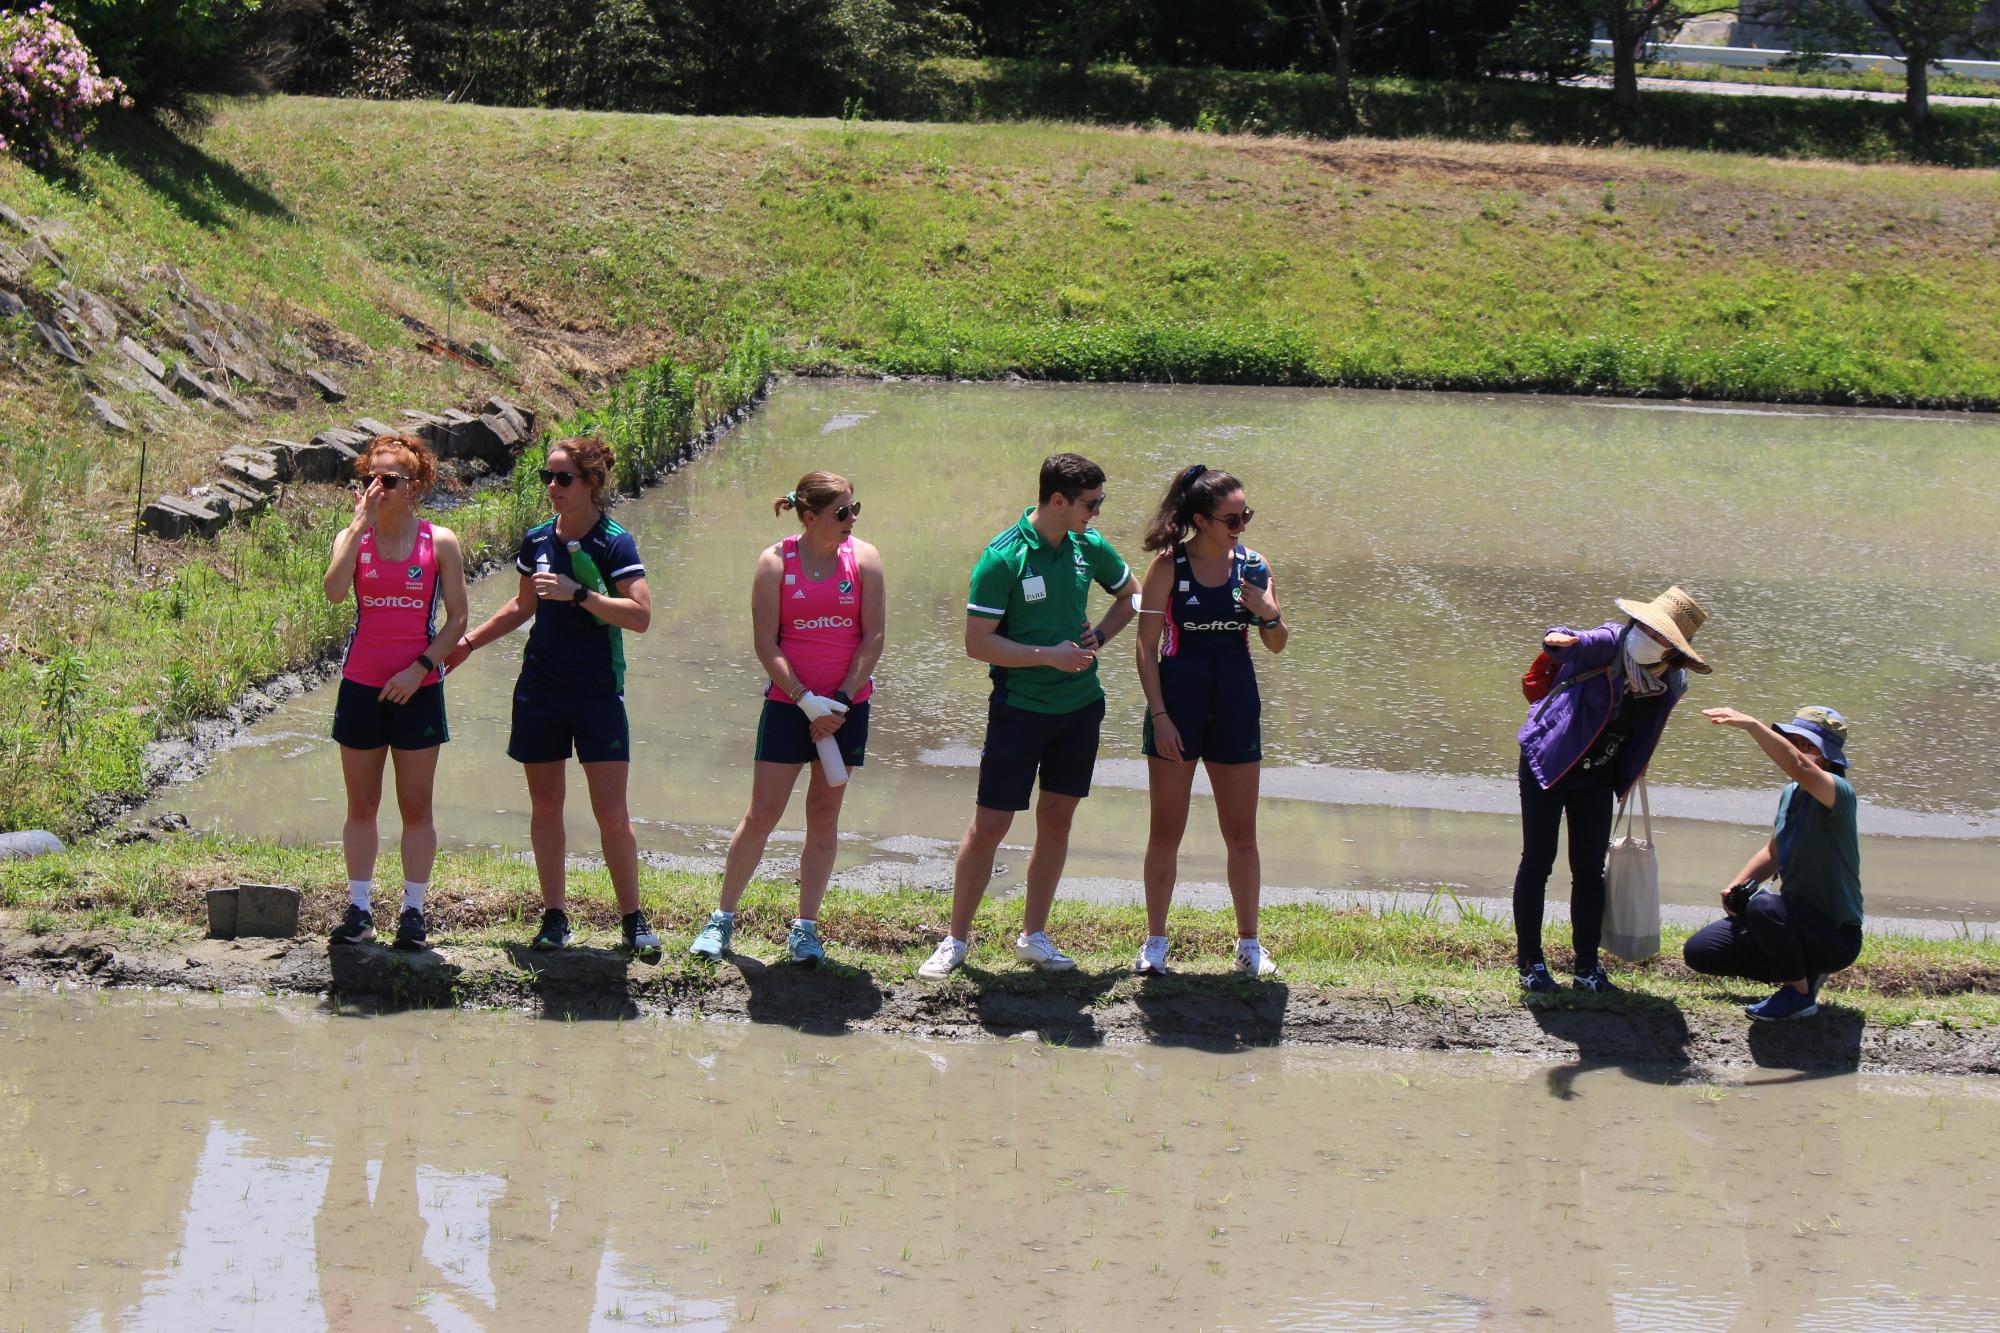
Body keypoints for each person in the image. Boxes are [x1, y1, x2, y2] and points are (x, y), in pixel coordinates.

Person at [917, 452, 1140, 979]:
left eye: (1100, 502)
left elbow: (1133, 595)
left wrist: (1101, 635)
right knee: (991, 824)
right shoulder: (1004, 557)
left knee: (1057, 820)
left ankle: (1033, 937)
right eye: (1092, 503)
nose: (1097, 513)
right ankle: (955, 941)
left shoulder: (1090, 548)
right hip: (1020, 710)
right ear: (1058, 500)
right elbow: (978, 644)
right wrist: (1048, 656)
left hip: (1080, 709)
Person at [444, 435, 660, 958]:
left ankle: (633, 920)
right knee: (546, 805)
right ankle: (554, 916)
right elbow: (521, 607)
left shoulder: (615, 542)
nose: (552, 487)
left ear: (591, 483)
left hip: (598, 692)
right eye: (548, 477)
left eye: (563, 478)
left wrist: (579, 594)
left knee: (611, 812)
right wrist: (469, 642)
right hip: (540, 688)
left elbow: (640, 617)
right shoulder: (537, 539)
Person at [689, 471, 885, 966]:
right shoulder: (775, 563)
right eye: (842, 512)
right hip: (788, 706)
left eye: (854, 509)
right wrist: (803, 698)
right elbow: (766, 642)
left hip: (845, 711)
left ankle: (805, 930)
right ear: (809, 516)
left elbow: (873, 638)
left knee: (823, 817)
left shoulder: (864, 558)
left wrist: (837, 702)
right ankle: (722, 920)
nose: (851, 519)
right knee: (762, 814)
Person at [1513, 586, 1711, 994]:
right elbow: (1569, 642)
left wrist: (1635, 767)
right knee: (1538, 860)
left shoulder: (1670, 682)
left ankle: (1587, 967)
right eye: (1644, 627)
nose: (1645, 636)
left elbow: (1647, 732)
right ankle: (1531, 963)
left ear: (1673, 648)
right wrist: (1557, 639)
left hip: (1597, 776)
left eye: (1659, 635)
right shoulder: (1609, 642)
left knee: (1589, 871)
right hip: (1548, 761)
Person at [1132, 465, 1288, 977]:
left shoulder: (1253, 565)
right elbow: (1145, 647)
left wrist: (1267, 611)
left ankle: (1249, 944)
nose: (1241, 525)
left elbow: (1278, 642)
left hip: (1236, 702)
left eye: (1246, 515)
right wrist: (1160, 716)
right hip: (1178, 704)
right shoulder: (1167, 566)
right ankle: (1156, 942)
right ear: (1200, 519)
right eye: (1232, 518)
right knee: (1165, 832)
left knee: (1241, 834)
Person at [323, 434, 468, 951]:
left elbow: (458, 620)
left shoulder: (440, 542)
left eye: (389, 480)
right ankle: (359, 910)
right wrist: (357, 527)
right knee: (361, 804)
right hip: (361, 684)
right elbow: (335, 593)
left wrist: (418, 670)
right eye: (369, 479)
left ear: (416, 486)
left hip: (419, 687)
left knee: (416, 808)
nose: (377, 488)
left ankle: (412, 912)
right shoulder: (353, 537)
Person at [1683, 705, 1863, 1021]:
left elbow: (1799, 767)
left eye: (1807, 745)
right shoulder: (1792, 793)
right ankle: (1802, 973)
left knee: (1764, 906)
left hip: (1835, 936)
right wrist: (1735, 885)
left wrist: (1753, 725)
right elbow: (1773, 852)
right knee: (1702, 951)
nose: (1797, 749)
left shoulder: (1838, 791)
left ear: (1827, 754)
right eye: (1792, 740)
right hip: (1793, 921)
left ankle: (1799, 995)